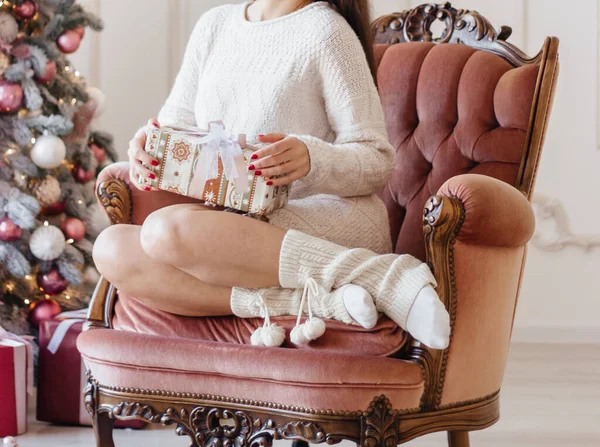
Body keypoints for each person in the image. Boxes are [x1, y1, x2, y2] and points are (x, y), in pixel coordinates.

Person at [93, 0, 450, 349]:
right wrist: (147, 150)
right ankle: (322, 301)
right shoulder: (214, 25)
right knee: (110, 249)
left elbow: (377, 160)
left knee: (166, 230)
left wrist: (311, 158)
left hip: (326, 217)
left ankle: (384, 276)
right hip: (231, 225)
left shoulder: (327, 31)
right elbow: (176, 127)